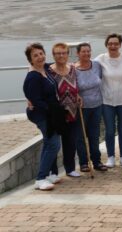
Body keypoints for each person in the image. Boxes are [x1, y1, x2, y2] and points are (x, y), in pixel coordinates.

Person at [23, 43, 63, 190]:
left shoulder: (46, 68)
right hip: (41, 114)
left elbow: (60, 64)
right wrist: (51, 110)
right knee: (53, 144)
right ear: (30, 60)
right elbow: (36, 100)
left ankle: (50, 174)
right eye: (35, 55)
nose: (40, 57)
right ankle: (40, 179)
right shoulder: (33, 77)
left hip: (51, 112)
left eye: (41, 53)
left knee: (49, 143)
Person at [95, 33, 122, 168]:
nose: (113, 46)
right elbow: (86, 65)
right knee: (110, 130)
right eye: (110, 43)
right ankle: (110, 157)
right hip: (107, 100)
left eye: (116, 43)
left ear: (120, 45)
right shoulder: (100, 59)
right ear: (106, 45)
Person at [48, 43, 82, 178]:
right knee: (54, 144)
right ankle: (53, 172)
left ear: (68, 54)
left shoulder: (73, 68)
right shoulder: (48, 70)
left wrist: (78, 96)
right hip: (56, 113)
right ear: (53, 55)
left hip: (72, 111)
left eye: (63, 53)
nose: (61, 55)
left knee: (70, 142)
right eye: (58, 53)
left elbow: (75, 85)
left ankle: (70, 169)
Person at [75, 42, 107, 172]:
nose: (86, 54)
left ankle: (97, 161)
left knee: (94, 135)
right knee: (81, 136)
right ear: (78, 53)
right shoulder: (73, 69)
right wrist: (77, 95)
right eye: (83, 51)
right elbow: (72, 87)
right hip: (82, 107)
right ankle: (83, 162)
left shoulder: (97, 65)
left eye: (88, 51)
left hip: (97, 105)